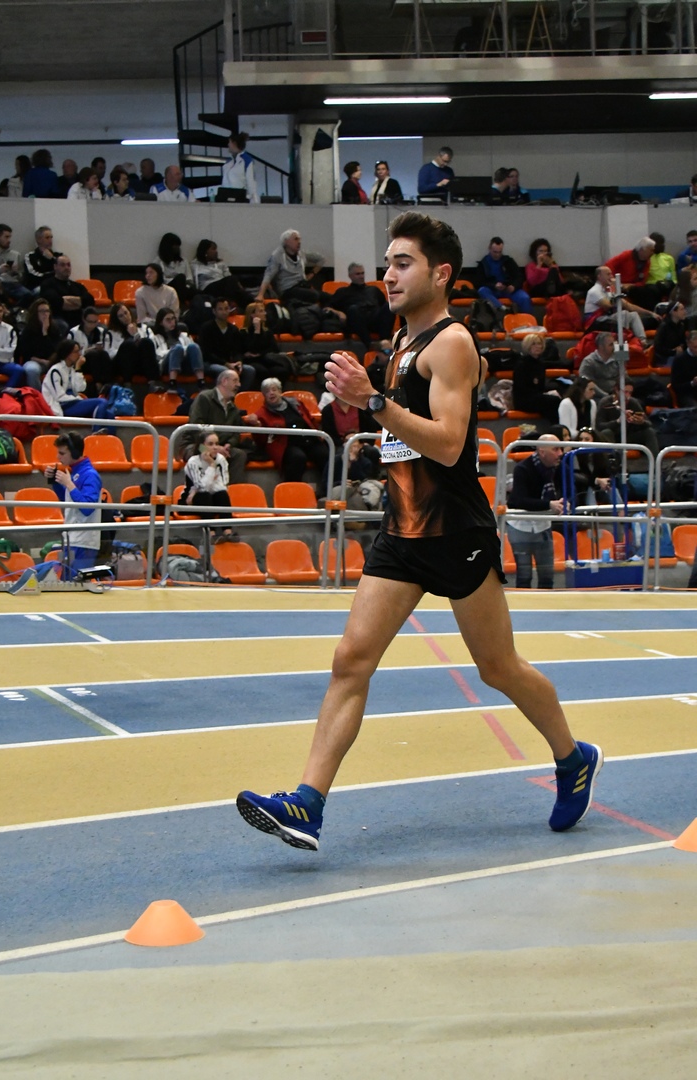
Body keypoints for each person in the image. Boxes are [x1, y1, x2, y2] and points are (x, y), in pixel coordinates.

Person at [237, 210, 602, 850]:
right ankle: (307, 804)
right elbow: (402, 437)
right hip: (402, 531)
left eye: (403, 263)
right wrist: (372, 412)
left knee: (499, 668)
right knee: (351, 660)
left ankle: (574, 758)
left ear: (441, 274)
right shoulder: (401, 342)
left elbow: (450, 442)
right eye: (388, 263)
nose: (389, 274)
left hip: (455, 533)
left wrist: (373, 401)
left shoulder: (452, 343)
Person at [507, 433, 566, 589]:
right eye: (556, 449)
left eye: (560, 449)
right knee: (524, 576)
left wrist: (566, 501)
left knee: (547, 576)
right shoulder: (522, 468)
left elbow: (571, 488)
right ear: (542, 452)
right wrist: (549, 504)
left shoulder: (559, 467)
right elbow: (518, 500)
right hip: (521, 527)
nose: (560, 453)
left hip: (543, 525)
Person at [43, 432, 102, 573]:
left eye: (62, 453)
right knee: (67, 583)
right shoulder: (74, 472)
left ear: (74, 453)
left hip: (84, 542)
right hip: (72, 538)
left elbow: (87, 508)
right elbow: (68, 500)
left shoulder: (90, 475)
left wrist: (69, 484)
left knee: (77, 583)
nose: (58, 457)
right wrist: (56, 482)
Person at [254, 377, 329, 484]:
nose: (271, 393)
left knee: (324, 454)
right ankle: (292, 488)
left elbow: (310, 420)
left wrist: (317, 432)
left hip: (308, 439)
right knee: (298, 457)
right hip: (286, 444)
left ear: (280, 391)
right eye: (267, 391)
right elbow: (261, 441)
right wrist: (257, 426)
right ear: (264, 395)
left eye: (274, 389)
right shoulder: (261, 414)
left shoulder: (296, 403)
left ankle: (328, 487)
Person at [188, 368, 256, 484]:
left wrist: (229, 445)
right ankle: (203, 489)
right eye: (235, 381)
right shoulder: (204, 398)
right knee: (205, 452)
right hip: (196, 444)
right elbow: (195, 429)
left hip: (221, 446)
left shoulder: (233, 408)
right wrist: (212, 446)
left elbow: (235, 433)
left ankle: (232, 491)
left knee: (239, 455)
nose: (239, 385)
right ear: (224, 381)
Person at [40, 339, 114, 427]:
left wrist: (78, 368)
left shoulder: (72, 369)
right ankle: (96, 431)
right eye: (76, 352)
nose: (79, 354)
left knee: (109, 414)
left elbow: (80, 388)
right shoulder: (55, 370)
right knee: (102, 402)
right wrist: (78, 399)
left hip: (73, 403)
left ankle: (104, 435)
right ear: (67, 354)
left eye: (79, 351)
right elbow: (59, 397)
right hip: (62, 406)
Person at [329, 263, 395, 346]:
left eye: (362, 273)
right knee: (353, 309)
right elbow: (328, 307)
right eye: (357, 274)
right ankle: (370, 344)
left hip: (374, 320)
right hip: (357, 321)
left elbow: (384, 307)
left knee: (388, 306)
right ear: (350, 276)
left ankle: (384, 342)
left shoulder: (373, 290)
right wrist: (339, 313)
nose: (361, 276)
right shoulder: (342, 292)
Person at [583, 266, 650, 347]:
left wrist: (651, 313)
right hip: (595, 322)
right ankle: (623, 341)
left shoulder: (608, 291)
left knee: (633, 315)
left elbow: (629, 306)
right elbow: (608, 306)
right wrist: (616, 289)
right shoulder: (594, 291)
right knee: (624, 314)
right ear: (599, 276)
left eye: (611, 274)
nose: (611, 277)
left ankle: (642, 342)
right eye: (608, 274)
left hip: (607, 319)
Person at [256, 229, 325, 306]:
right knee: (314, 295)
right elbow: (269, 275)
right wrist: (260, 294)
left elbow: (321, 259)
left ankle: (329, 311)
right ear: (286, 241)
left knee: (328, 297)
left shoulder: (301, 254)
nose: (299, 242)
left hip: (302, 285)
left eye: (299, 239)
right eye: (296, 239)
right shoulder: (277, 256)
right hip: (288, 290)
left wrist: (312, 273)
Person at [199, 296, 256, 388]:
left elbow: (238, 350)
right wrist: (226, 364)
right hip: (210, 363)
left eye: (226, 309)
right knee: (225, 371)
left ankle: (238, 395)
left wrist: (239, 362)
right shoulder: (206, 328)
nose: (224, 312)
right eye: (220, 309)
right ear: (214, 311)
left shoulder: (233, 329)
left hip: (229, 363)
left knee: (250, 370)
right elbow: (206, 353)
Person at [145, 307, 205, 389]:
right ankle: (172, 383)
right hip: (167, 364)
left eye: (173, 319)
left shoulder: (183, 335)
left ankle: (201, 382)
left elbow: (193, 352)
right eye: (168, 320)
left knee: (194, 346)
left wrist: (182, 352)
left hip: (185, 363)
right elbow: (157, 355)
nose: (172, 322)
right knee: (177, 348)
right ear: (161, 322)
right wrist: (174, 351)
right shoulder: (155, 337)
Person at [595, 379, 659, 457]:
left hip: (628, 436)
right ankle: (613, 461)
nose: (628, 396)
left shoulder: (633, 402)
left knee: (649, 431)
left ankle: (655, 462)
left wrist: (641, 422)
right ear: (616, 390)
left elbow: (649, 423)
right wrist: (617, 421)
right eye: (625, 392)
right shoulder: (605, 403)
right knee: (606, 432)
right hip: (613, 437)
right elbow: (599, 425)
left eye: (630, 393)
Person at [15, 298, 68, 389]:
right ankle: (37, 395)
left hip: (51, 361)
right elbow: (27, 354)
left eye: (47, 311)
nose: (45, 314)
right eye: (42, 311)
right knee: (32, 370)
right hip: (34, 362)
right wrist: (42, 361)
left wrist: (45, 333)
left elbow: (56, 349)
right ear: (35, 313)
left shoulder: (55, 329)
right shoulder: (28, 331)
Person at [474, 236, 532, 315]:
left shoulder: (508, 261)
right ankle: (502, 308)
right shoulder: (483, 264)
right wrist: (494, 285)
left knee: (525, 298)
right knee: (482, 291)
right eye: (495, 252)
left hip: (508, 289)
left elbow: (519, 276)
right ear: (489, 249)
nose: (497, 255)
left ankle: (527, 319)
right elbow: (480, 282)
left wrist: (514, 286)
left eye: (499, 252)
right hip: (492, 290)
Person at [240, 300, 294, 384]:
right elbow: (252, 348)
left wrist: (260, 354)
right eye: (261, 311)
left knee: (281, 371)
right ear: (252, 315)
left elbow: (274, 349)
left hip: (265, 359)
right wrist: (257, 331)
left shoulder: (268, 331)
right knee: (262, 371)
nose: (265, 313)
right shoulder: (243, 332)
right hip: (251, 361)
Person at [0, 223, 34, 307]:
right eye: (6, 237)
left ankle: (14, 311)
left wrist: (15, 272)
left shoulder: (15, 255)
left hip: (13, 284)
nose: (9, 240)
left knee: (29, 295)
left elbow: (22, 277)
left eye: (10, 237)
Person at [103, 303, 159, 382]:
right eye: (121, 316)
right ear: (116, 319)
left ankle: (153, 382)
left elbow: (153, 347)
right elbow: (108, 354)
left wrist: (135, 335)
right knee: (128, 344)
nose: (125, 317)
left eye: (126, 313)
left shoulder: (144, 328)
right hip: (122, 364)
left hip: (142, 362)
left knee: (145, 342)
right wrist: (123, 349)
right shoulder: (111, 333)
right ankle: (127, 383)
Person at [191, 239, 252, 310]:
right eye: (213, 249)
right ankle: (228, 305)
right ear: (205, 250)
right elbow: (193, 280)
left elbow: (228, 276)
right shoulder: (195, 264)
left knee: (243, 294)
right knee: (232, 280)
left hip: (223, 287)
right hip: (208, 288)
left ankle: (251, 308)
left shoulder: (221, 263)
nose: (216, 251)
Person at [511, 333, 561, 420]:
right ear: (528, 346)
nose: (537, 346)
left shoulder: (540, 363)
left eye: (539, 344)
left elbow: (540, 386)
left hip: (536, 396)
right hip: (524, 400)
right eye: (533, 344)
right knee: (554, 401)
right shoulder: (521, 364)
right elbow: (522, 388)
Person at [68, 306, 116, 391]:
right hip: (80, 362)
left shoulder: (102, 331)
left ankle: (109, 385)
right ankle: (98, 384)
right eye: (90, 322)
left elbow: (108, 350)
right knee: (93, 354)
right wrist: (86, 351)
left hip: (98, 361)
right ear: (83, 319)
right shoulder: (73, 333)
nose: (92, 325)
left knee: (103, 354)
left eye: (95, 322)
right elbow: (68, 353)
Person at [605, 237, 657, 311]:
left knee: (652, 290)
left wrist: (630, 285)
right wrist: (613, 281)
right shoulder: (626, 255)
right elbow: (608, 266)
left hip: (632, 287)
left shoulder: (647, 262)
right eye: (651, 250)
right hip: (618, 286)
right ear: (642, 250)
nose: (653, 253)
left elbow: (642, 281)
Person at [39, 256, 95, 320]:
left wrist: (65, 299)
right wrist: (79, 303)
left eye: (68, 265)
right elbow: (55, 303)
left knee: (99, 325)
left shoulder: (77, 285)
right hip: (57, 319)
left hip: (78, 319)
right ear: (55, 267)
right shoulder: (47, 284)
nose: (66, 268)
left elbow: (90, 301)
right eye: (62, 265)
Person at [577, 332, 620, 401]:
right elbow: (587, 383)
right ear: (601, 347)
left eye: (614, 344)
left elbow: (624, 378)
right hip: (596, 397)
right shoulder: (589, 362)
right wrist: (607, 396)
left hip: (615, 395)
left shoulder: (617, 360)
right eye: (611, 345)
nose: (614, 347)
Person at [156, 233, 194, 304]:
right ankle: (181, 304)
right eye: (174, 245)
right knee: (180, 277)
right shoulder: (159, 261)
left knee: (198, 292)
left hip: (184, 287)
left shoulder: (183, 261)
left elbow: (189, 279)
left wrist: (187, 286)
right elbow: (161, 280)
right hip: (168, 287)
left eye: (178, 245)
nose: (177, 248)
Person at [221, 132, 259, 204]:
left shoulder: (247, 160)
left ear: (234, 143)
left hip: (241, 199)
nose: (228, 145)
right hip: (227, 198)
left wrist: (253, 201)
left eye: (229, 142)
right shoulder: (228, 162)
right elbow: (224, 181)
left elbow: (251, 181)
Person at [23, 226, 61, 290]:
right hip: (38, 286)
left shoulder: (57, 256)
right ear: (38, 239)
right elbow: (32, 276)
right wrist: (52, 275)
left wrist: (52, 259)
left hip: (55, 286)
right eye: (47, 237)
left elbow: (62, 272)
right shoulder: (30, 256)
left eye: (51, 237)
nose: (50, 240)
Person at [653, 300, 687, 368]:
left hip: (677, 356)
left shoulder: (681, 325)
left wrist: (681, 348)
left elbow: (684, 342)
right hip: (665, 359)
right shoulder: (663, 327)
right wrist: (673, 352)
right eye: (682, 309)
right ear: (674, 312)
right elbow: (658, 347)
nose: (685, 312)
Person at [645, 232, 676, 300]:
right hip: (653, 287)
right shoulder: (646, 258)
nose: (662, 246)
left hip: (668, 285)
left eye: (662, 243)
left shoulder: (669, 258)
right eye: (659, 243)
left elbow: (674, 277)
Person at [670, 329, 697, 407]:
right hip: (686, 394)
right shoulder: (679, 360)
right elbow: (676, 386)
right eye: (695, 347)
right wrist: (692, 383)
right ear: (688, 344)